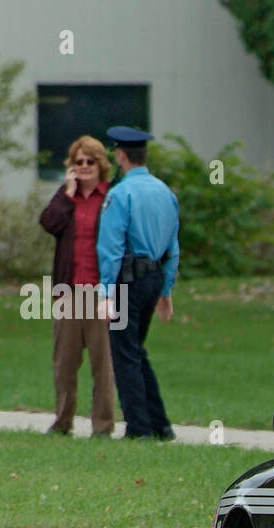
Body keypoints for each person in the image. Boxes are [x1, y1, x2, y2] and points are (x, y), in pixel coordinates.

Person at [97, 126, 180, 441]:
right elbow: (173, 245)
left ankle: (139, 428)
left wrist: (106, 292)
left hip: (127, 281)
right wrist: (166, 290)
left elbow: (112, 247)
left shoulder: (120, 194)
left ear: (120, 155)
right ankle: (160, 424)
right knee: (136, 350)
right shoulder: (165, 192)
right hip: (153, 277)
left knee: (125, 355)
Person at [38, 135, 117, 437]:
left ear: (101, 165)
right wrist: (68, 194)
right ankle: (62, 422)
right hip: (69, 291)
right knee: (65, 363)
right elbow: (48, 223)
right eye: (78, 162)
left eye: (90, 161)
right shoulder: (65, 197)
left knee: (103, 364)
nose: (84, 167)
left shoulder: (111, 196)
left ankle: (103, 427)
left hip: (103, 291)